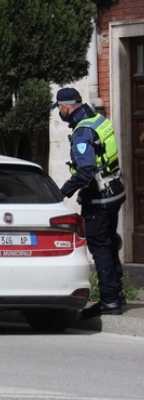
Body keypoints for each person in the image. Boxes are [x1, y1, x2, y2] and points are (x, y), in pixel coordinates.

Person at [52, 87, 126, 318]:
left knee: (99, 246)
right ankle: (117, 293)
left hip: (99, 197)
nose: (60, 113)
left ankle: (109, 301)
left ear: (66, 106)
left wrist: (60, 194)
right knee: (109, 242)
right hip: (115, 190)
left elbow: (85, 171)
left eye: (60, 109)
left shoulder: (82, 132)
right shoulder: (98, 120)